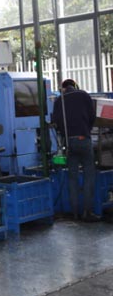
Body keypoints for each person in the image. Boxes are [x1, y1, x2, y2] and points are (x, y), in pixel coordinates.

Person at [52, 79, 98, 222]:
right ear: (75, 86)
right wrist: (86, 130)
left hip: (69, 143)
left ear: (63, 88)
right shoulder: (84, 95)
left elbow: (56, 121)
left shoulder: (59, 100)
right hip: (84, 139)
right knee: (89, 175)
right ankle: (87, 212)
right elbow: (92, 116)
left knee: (72, 177)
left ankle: (75, 213)